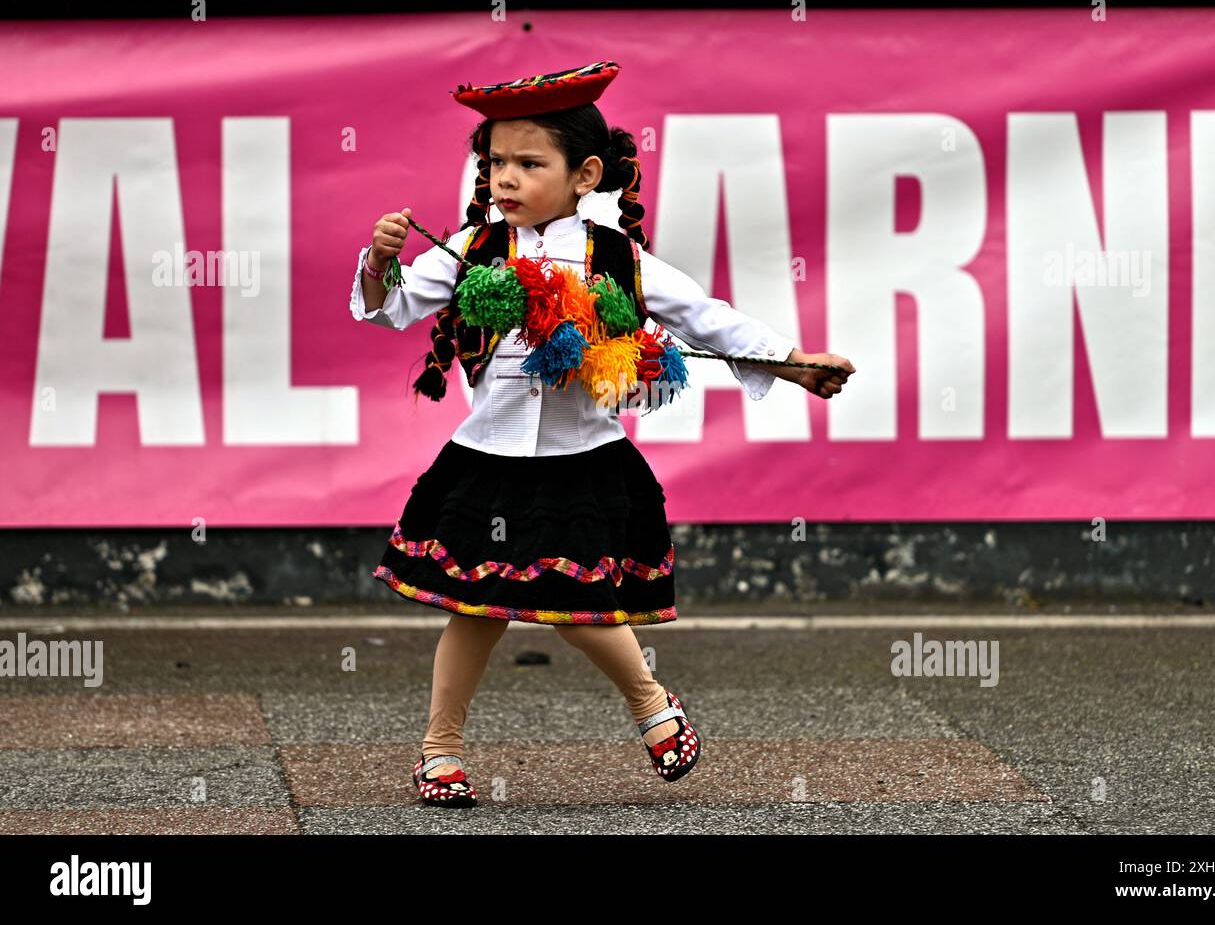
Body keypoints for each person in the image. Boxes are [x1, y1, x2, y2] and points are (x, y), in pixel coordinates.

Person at [350, 61, 855, 806]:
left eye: (529, 163)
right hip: (486, 460)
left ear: (585, 172)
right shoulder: (472, 249)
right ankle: (439, 750)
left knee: (578, 604)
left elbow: (707, 316)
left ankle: (650, 701)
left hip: (582, 462)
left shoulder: (618, 258)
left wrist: (794, 363)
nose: (506, 178)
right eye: (494, 162)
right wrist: (381, 262)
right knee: (475, 607)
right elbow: (388, 308)